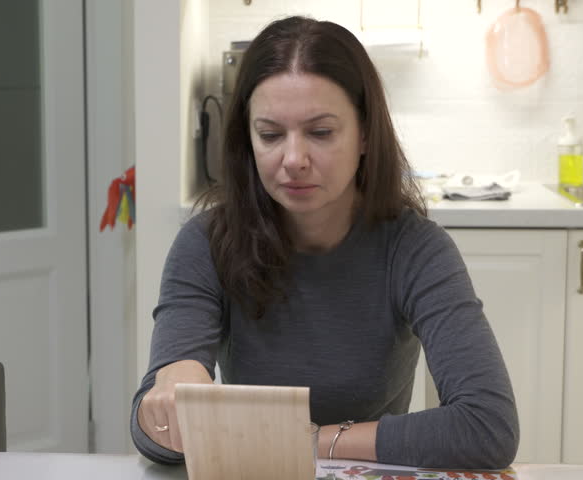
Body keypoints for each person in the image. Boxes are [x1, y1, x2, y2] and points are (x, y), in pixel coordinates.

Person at [130, 15, 519, 469]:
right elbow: (150, 440)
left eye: (321, 132)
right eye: (270, 134)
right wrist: (172, 387)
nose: (293, 159)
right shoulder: (206, 243)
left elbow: (488, 427)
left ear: (366, 135)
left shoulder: (415, 250)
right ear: (247, 140)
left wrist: (310, 440)